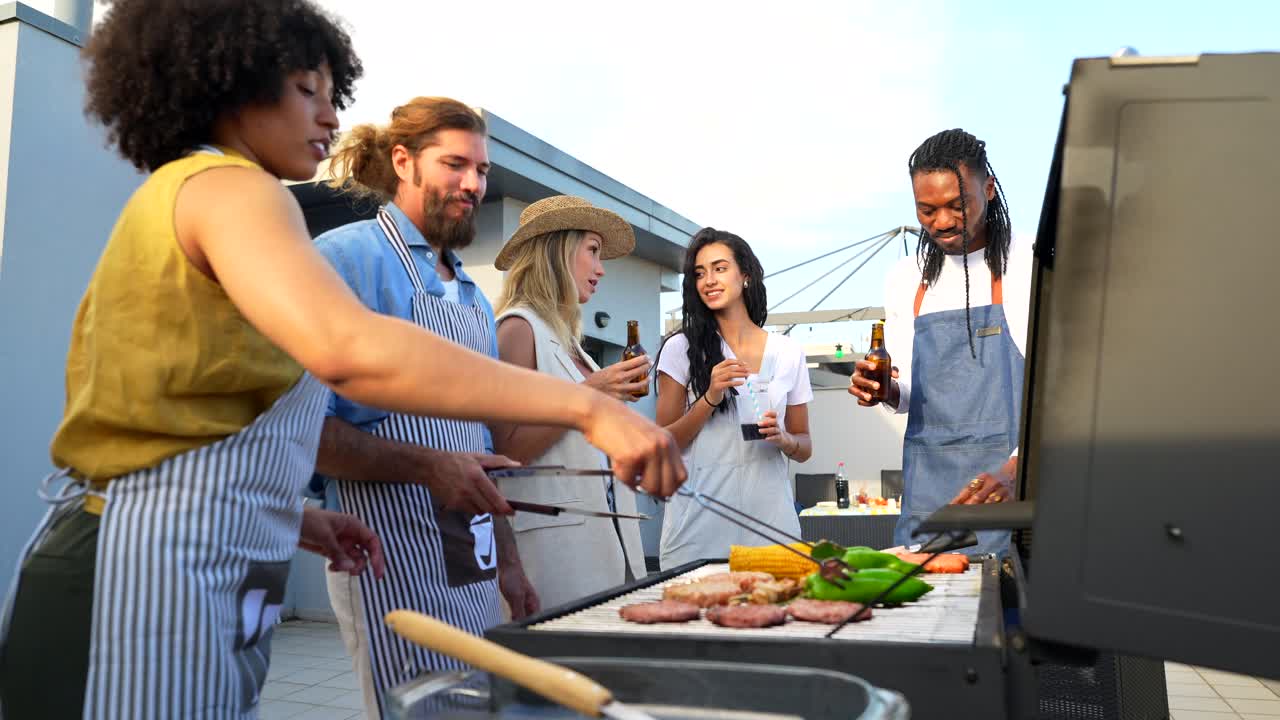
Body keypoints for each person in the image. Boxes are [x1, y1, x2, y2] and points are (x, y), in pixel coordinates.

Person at [0, 3, 684, 718]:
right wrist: (585, 404)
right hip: (136, 573)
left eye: (333, 94)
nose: (330, 118)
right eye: (306, 90)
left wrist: (296, 518)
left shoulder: (213, 199)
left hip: (207, 565)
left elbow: (192, 414)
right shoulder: (230, 189)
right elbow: (347, 351)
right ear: (233, 80)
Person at [314, 97, 542, 719]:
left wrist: (511, 565)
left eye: (483, 170)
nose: (473, 184)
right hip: (387, 552)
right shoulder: (346, 260)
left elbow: (477, 440)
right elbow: (306, 432)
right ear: (403, 161)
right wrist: (429, 467)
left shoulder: (470, 293)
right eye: (455, 165)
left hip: (470, 561)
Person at [848, 128, 1030, 557]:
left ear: (987, 188)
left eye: (956, 205)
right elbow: (909, 393)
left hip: (1013, 493)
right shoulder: (906, 279)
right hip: (929, 502)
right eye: (926, 210)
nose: (942, 222)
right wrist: (883, 390)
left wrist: (1017, 471)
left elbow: (1064, 395)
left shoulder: (1030, 263)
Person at [491, 195, 651, 609]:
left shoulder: (573, 346)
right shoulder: (517, 328)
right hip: (555, 556)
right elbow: (504, 451)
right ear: (558, 251)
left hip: (610, 548)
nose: (601, 269)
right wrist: (589, 396)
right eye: (593, 251)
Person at [655, 228, 814, 570]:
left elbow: (805, 446)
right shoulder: (680, 349)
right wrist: (709, 397)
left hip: (772, 527)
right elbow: (662, 442)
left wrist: (785, 439)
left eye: (720, 268)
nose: (709, 280)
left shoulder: (787, 352)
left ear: (746, 275)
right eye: (700, 273)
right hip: (698, 527)